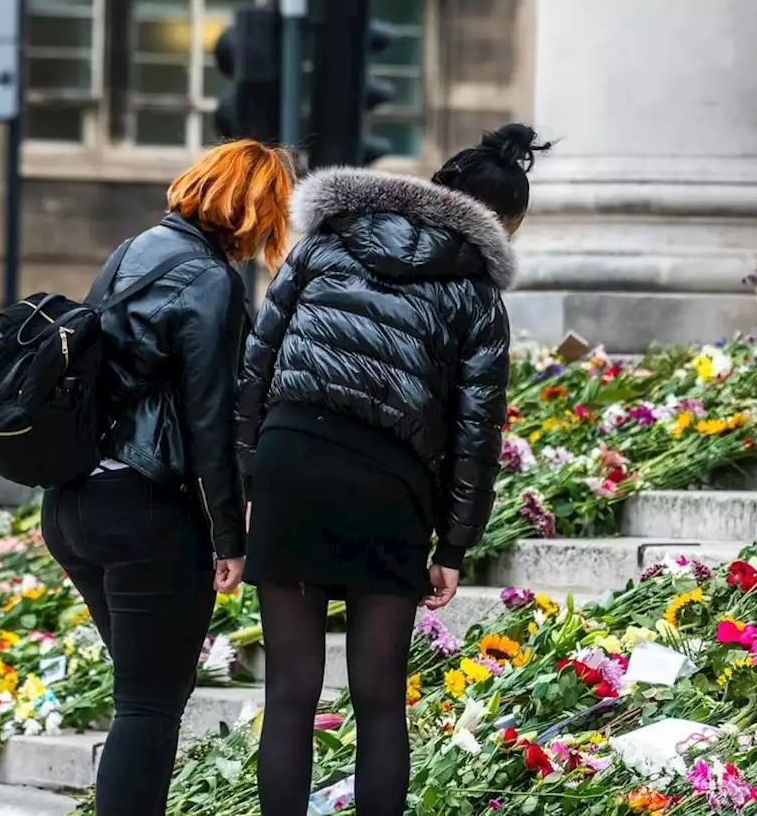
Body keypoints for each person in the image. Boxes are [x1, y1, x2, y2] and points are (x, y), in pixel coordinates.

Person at [235, 123, 549, 816]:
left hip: (292, 461)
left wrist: (248, 483)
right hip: (388, 483)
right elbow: (476, 434)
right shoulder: (476, 297)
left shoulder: (326, 240)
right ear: (503, 224)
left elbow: (257, 363)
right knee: (379, 700)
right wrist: (454, 544)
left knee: (289, 693)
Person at [41, 139, 294, 816]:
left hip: (73, 506)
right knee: (149, 705)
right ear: (250, 211)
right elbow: (211, 419)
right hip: (145, 513)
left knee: (143, 697)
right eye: (273, 214)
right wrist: (228, 538)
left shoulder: (134, 251)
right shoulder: (210, 282)